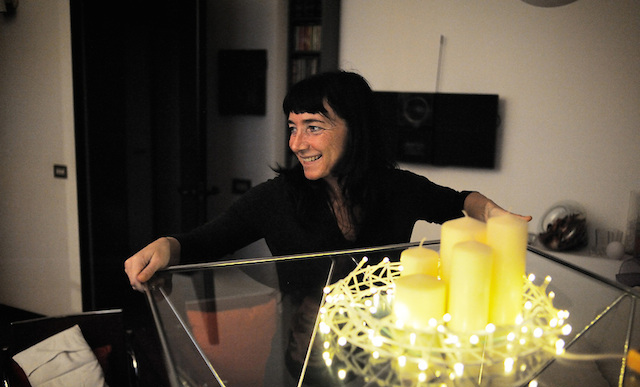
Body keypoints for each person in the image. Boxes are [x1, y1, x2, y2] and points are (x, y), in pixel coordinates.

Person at [125, 70, 531, 293]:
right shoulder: (275, 199)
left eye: (313, 127)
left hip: (380, 359)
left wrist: (493, 213)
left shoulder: (398, 188)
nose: (296, 143)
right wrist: (166, 245)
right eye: (293, 127)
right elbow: (206, 242)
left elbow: (459, 201)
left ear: (356, 129)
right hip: (300, 361)